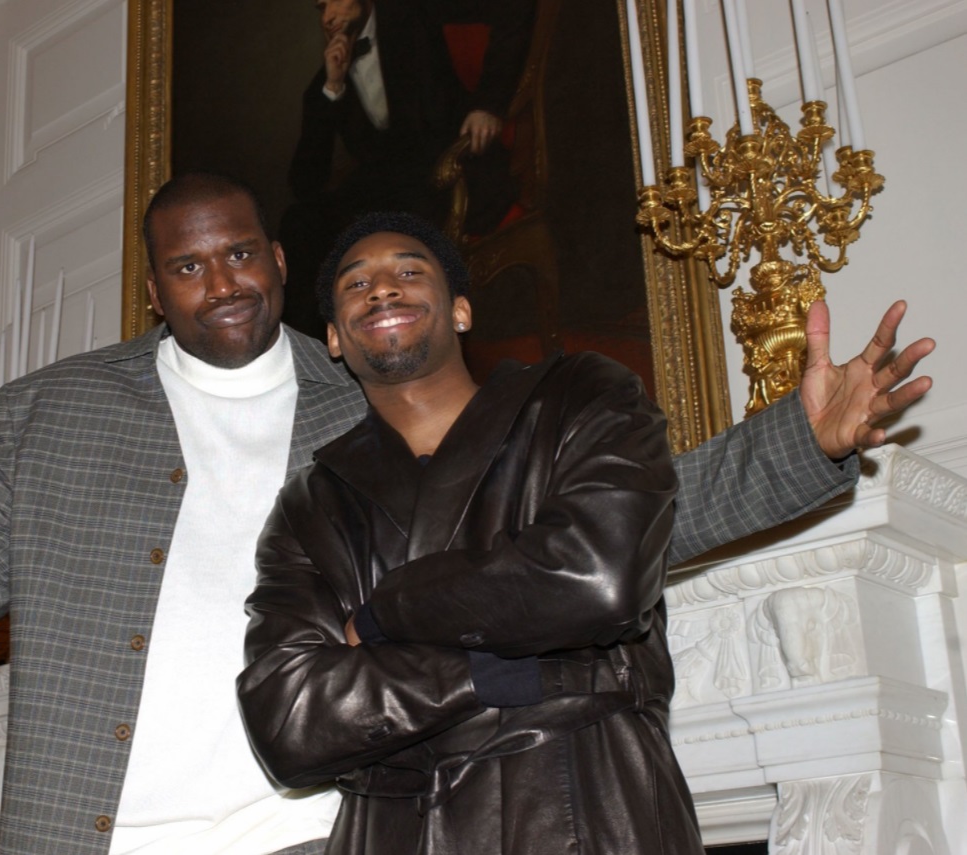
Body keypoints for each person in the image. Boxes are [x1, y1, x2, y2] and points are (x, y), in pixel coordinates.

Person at [0, 174, 932, 855]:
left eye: (240, 255)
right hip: (95, 835)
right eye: (188, 265)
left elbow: (636, 512)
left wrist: (797, 443)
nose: (220, 280)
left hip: (316, 830)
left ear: (280, 266)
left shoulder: (363, 395)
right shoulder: (57, 412)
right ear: (155, 287)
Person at [236, 211, 923, 853]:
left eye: (410, 270)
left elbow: (598, 578)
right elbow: (288, 719)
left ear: (461, 309)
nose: (382, 286)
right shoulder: (309, 501)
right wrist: (514, 671)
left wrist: (388, 611)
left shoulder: (579, 395)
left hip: (584, 804)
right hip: (392, 830)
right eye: (355, 283)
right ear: (332, 336)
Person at [281, 0, 533, 337]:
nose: (327, 18)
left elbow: (514, 8)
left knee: (398, 220)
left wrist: (488, 104)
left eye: (334, 1)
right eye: (320, 8)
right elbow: (305, 184)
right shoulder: (326, 81)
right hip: (388, 191)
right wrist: (333, 88)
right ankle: (317, 363)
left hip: (452, 173)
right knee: (300, 223)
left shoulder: (414, 12)